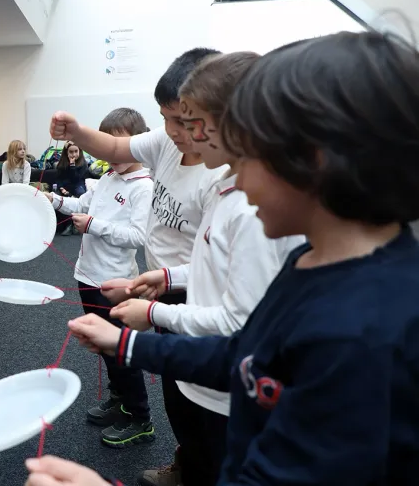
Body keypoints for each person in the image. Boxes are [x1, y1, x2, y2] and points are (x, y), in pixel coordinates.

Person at [63, 30, 419, 486]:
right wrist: (129, 344)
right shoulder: (313, 262)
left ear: (313, 161)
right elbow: (248, 354)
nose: (234, 182)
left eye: (249, 155)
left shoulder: (362, 337)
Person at [105, 52, 303, 486]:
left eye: (194, 123)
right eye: (180, 121)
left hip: (230, 388)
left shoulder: (250, 206)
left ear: (237, 122)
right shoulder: (225, 184)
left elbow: (240, 320)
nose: (185, 137)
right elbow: (218, 264)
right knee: (195, 439)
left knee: (221, 460)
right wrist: (169, 277)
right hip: (209, 372)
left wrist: (151, 318)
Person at [50, 48, 226, 472]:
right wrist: (75, 130)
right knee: (176, 388)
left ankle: (195, 461)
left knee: (200, 394)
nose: (171, 130)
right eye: (165, 116)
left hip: (194, 294)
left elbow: (233, 305)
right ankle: (186, 461)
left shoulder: (225, 179)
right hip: (162, 283)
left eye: (183, 120)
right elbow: (112, 143)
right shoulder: (167, 143)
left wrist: (156, 297)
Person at [44, 108, 154, 448]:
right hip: (87, 276)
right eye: (107, 149)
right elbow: (81, 203)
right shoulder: (107, 178)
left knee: (121, 350)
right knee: (105, 348)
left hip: (116, 283)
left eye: (119, 148)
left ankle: (141, 418)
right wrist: (53, 199)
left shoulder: (143, 186)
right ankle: (120, 400)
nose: (112, 157)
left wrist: (94, 226)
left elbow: (139, 236)